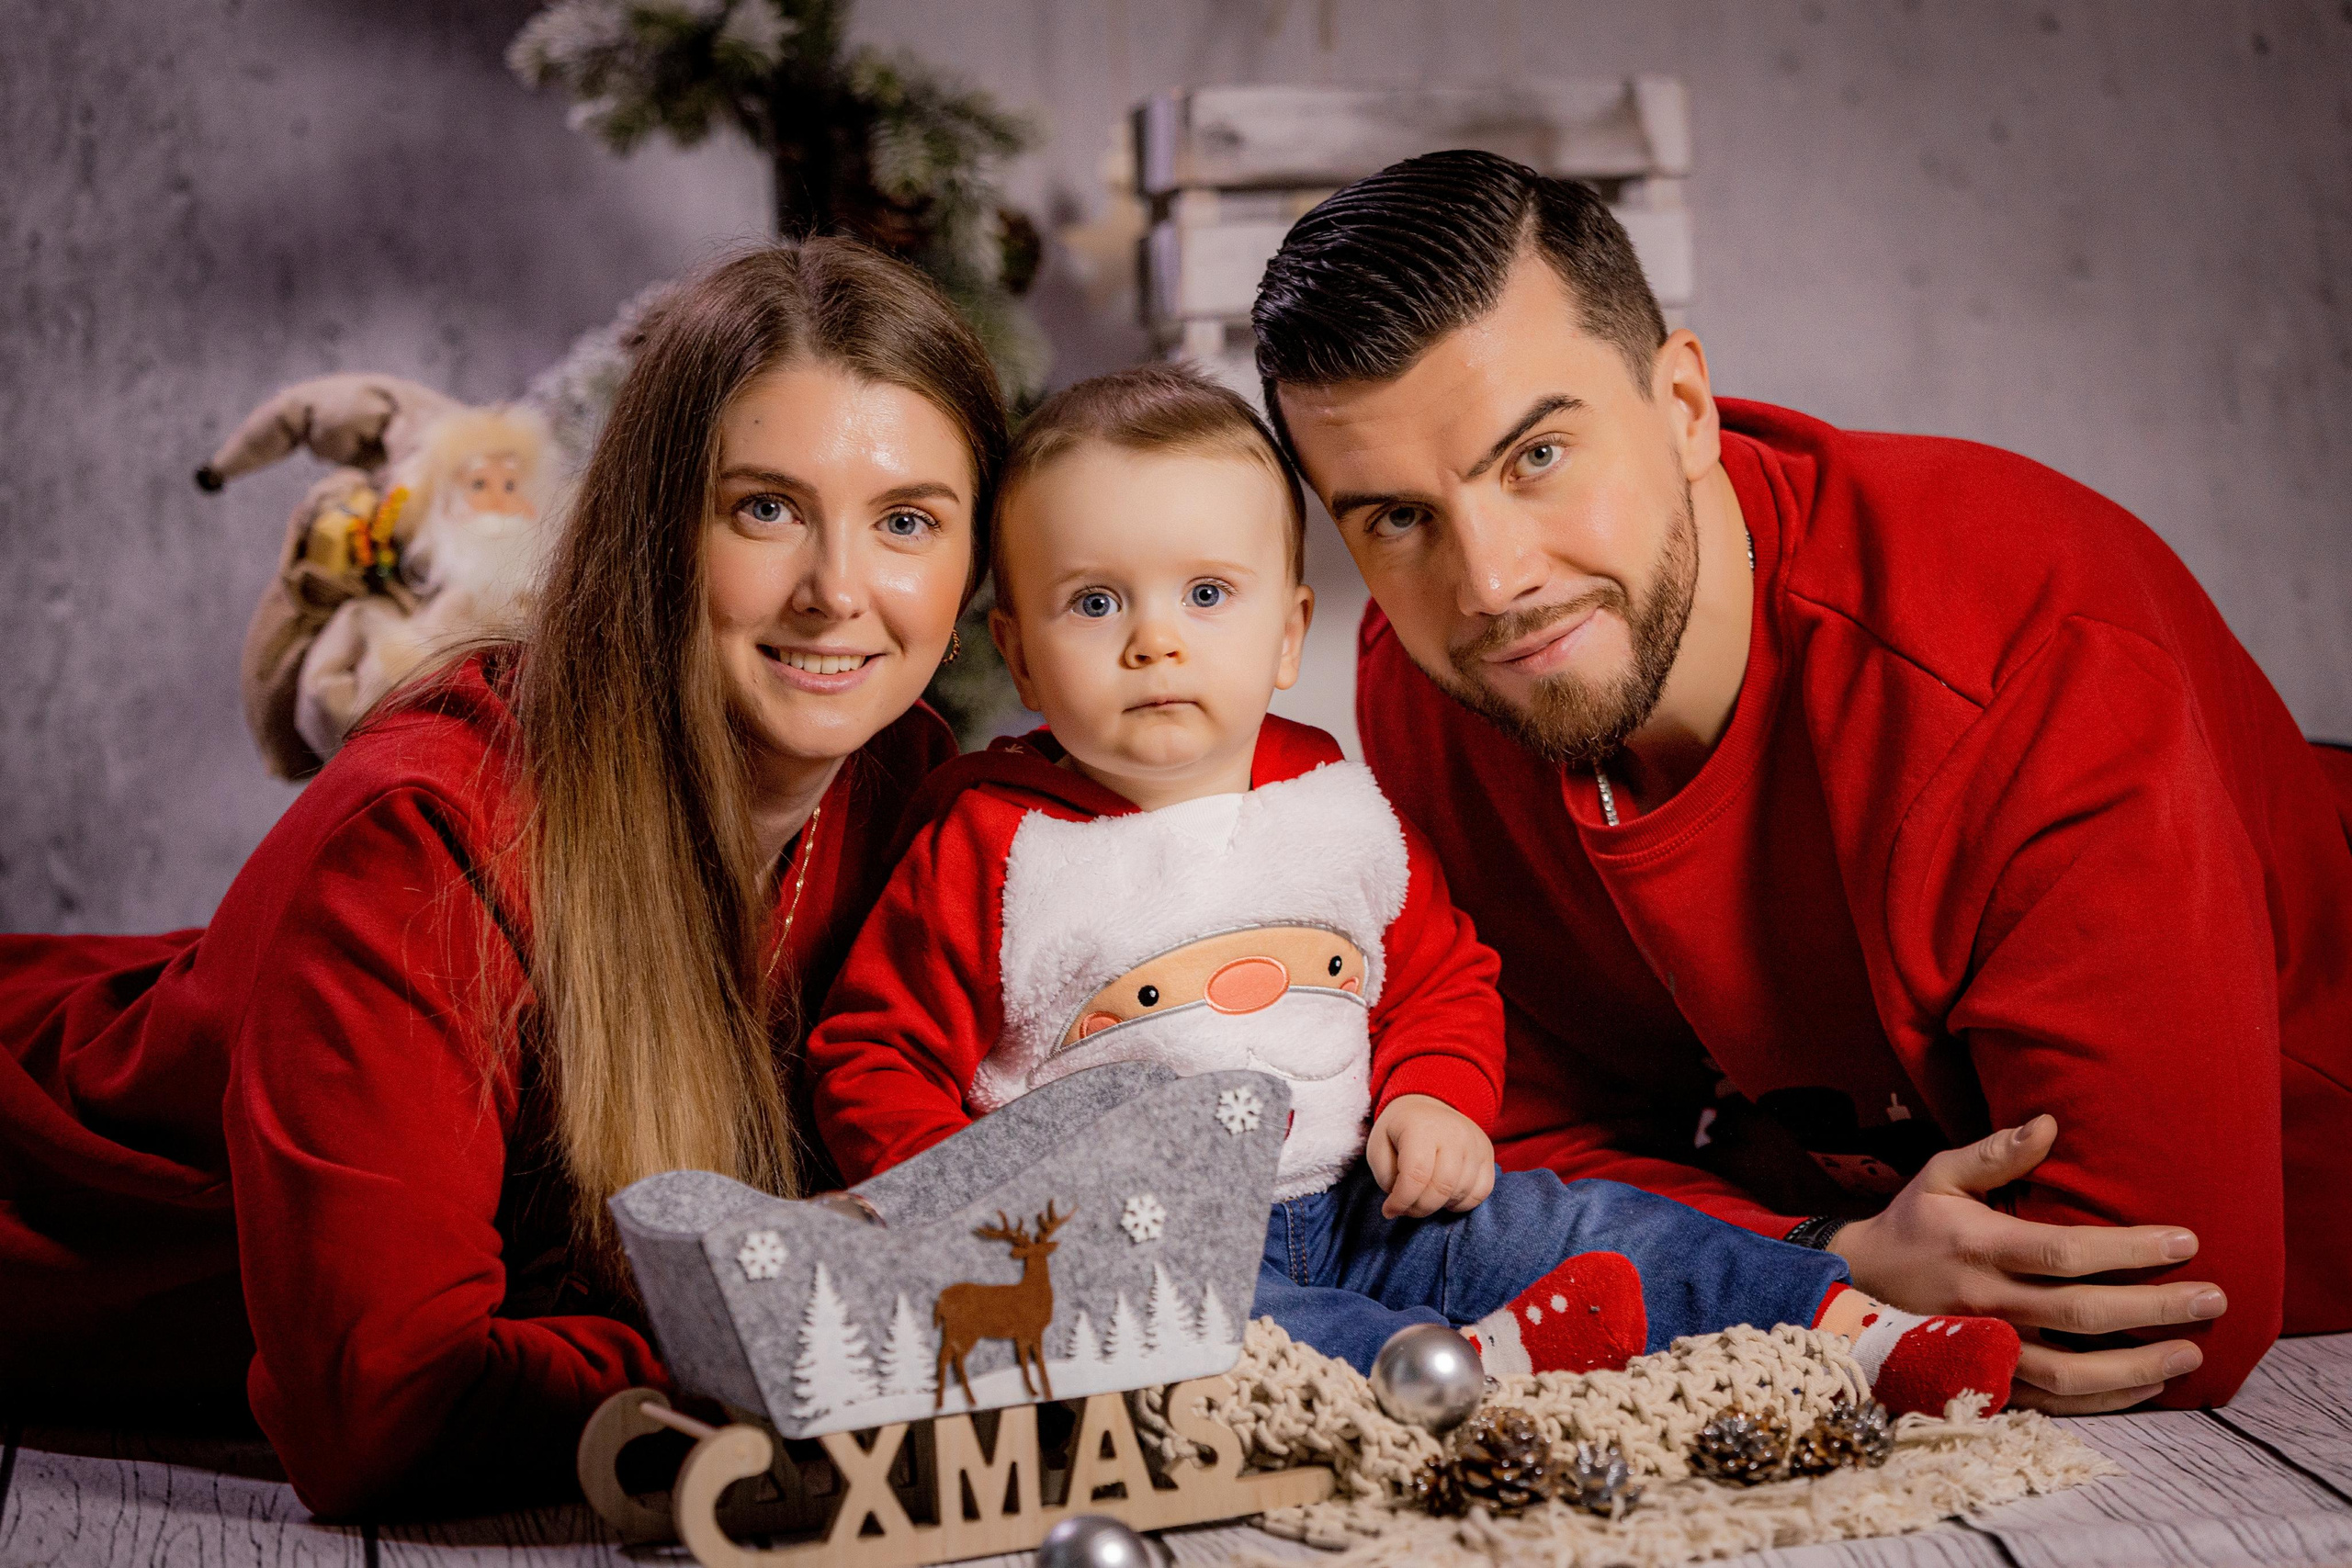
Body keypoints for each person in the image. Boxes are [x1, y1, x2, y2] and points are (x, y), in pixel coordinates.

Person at [1248, 150, 2352, 1413]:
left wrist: (1727, 1257)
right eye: (1395, 517)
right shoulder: (1439, 680)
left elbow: (2148, 1313)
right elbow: (1511, 1166)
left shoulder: (2022, 647)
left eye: (1538, 456)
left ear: (1683, 406)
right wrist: (1830, 1265)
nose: (1490, 582)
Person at [0, 240, 1008, 1516]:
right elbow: (390, 1409)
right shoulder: (423, 834)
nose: (836, 593)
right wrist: (827, 1345)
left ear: (974, 565)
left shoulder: (903, 786)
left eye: (907, 521)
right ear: (655, 526)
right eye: (765, 509)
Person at [808, 364, 2024, 1419]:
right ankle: (1438, 1376)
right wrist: (972, 1203)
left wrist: (1437, 1096)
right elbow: (875, 1054)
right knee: (1195, 1328)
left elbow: (1439, 975)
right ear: (1017, 651)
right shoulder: (994, 845)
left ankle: (1850, 1327)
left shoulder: (1338, 803)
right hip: (1142, 1237)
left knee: (1568, 1222)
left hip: (1363, 1196)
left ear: (1289, 634)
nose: (1154, 641)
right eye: (1095, 602)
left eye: (1207, 595)